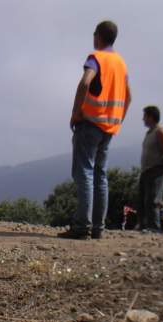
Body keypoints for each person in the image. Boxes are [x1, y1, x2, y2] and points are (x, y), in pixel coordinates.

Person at [59, 21, 132, 240]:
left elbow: (85, 83)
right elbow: (128, 96)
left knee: (85, 173)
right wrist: (118, 120)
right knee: (101, 176)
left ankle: (82, 227)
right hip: (109, 127)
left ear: (98, 36)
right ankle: (98, 229)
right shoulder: (121, 63)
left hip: (89, 123)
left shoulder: (96, 58)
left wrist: (75, 112)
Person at [137, 106, 163, 232]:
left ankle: (154, 227)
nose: (143, 119)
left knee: (153, 200)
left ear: (151, 117)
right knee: (143, 200)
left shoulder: (160, 132)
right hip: (146, 170)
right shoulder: (150, 132)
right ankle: (144, 225)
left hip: (157, 170)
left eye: (145, 116)